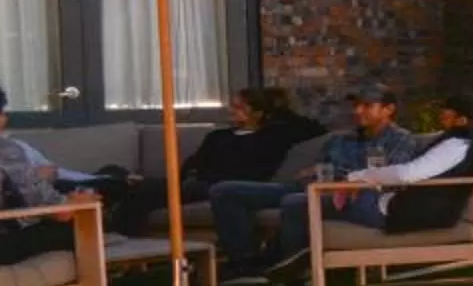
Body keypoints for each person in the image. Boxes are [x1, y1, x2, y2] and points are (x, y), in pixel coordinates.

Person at [259, 89, 473, 286]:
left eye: (446, 111)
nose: (441, 115)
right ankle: (285, 263)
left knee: (296, 204)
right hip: (406, 207)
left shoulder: (457, 144)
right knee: (307, 203)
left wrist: (358, 177)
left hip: (396, 212)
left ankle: (291, 283)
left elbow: (407, 174)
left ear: (462, 118)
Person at [212, 85, 416, 279]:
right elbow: (319, 168)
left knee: (295, 202)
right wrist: (313, 172)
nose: (358, 111)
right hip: (306, 187)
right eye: (356, 105)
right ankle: (245, 263)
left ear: (388, 109)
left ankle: (287, 272)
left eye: (367, 106)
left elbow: (389, 175)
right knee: (225, 191)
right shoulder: (340, 139)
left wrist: (340, 174)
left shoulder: (400, 140)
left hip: (342, 195)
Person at [94, 87, 324, 237]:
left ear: (259, 113)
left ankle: (117, 234)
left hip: (217, 185)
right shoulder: (219, 136)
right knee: (109, 173)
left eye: (239, 107)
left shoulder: (273, 136)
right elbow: (192, 163)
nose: (232, 111)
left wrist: (277, 112)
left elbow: (313, 129)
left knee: (142, 192)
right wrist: (186, 175)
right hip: (191, 182)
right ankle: (113, 203)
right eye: (232, 105)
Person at [0, 90, 96, 265]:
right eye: (2, 113)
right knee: (80, 226)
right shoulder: (6, 151)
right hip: (5, 243)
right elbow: (58, 212)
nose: (5, 119)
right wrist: (74, 203)